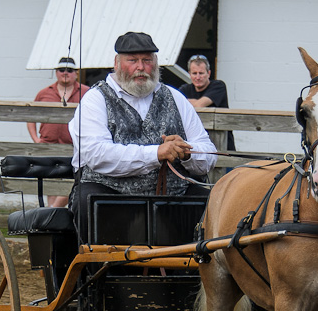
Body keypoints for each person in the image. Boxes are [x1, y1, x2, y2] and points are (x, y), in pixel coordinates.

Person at [67, 32, 217, 242]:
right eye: (133, 60)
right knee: (87, 200)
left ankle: (194, 271)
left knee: (213, 202)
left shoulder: (175, 97)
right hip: (110, 194)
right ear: (117, 64)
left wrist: (186, 152)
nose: (140, 67)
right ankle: (99, 272)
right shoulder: (95, 99)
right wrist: (156, 153)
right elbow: (96, 154)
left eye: (147, 60)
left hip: (173, 198)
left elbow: (208, 151)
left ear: (155, 64)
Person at [27, 56, 90, 207]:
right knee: (50, 183)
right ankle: (51, 213)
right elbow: (30, 118)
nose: (65, 73)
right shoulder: (43, 93)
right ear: (56, 72)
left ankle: (55, 210)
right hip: (48, 145)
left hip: (74, 147)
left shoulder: (87, 93)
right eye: (62, 70)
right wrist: (36, 139)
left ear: (76, 73)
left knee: (73, 180)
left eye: (69, 70)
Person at [178, 54, 235, 151]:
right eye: (194, 73)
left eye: (201, 73)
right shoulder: (185, 89)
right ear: (189, 74)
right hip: (195, 147)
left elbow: (199, 105)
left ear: (208, 73)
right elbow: (175, 103)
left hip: (221, 145)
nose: (198, 77)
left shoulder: (218, 86)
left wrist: (188, 102)